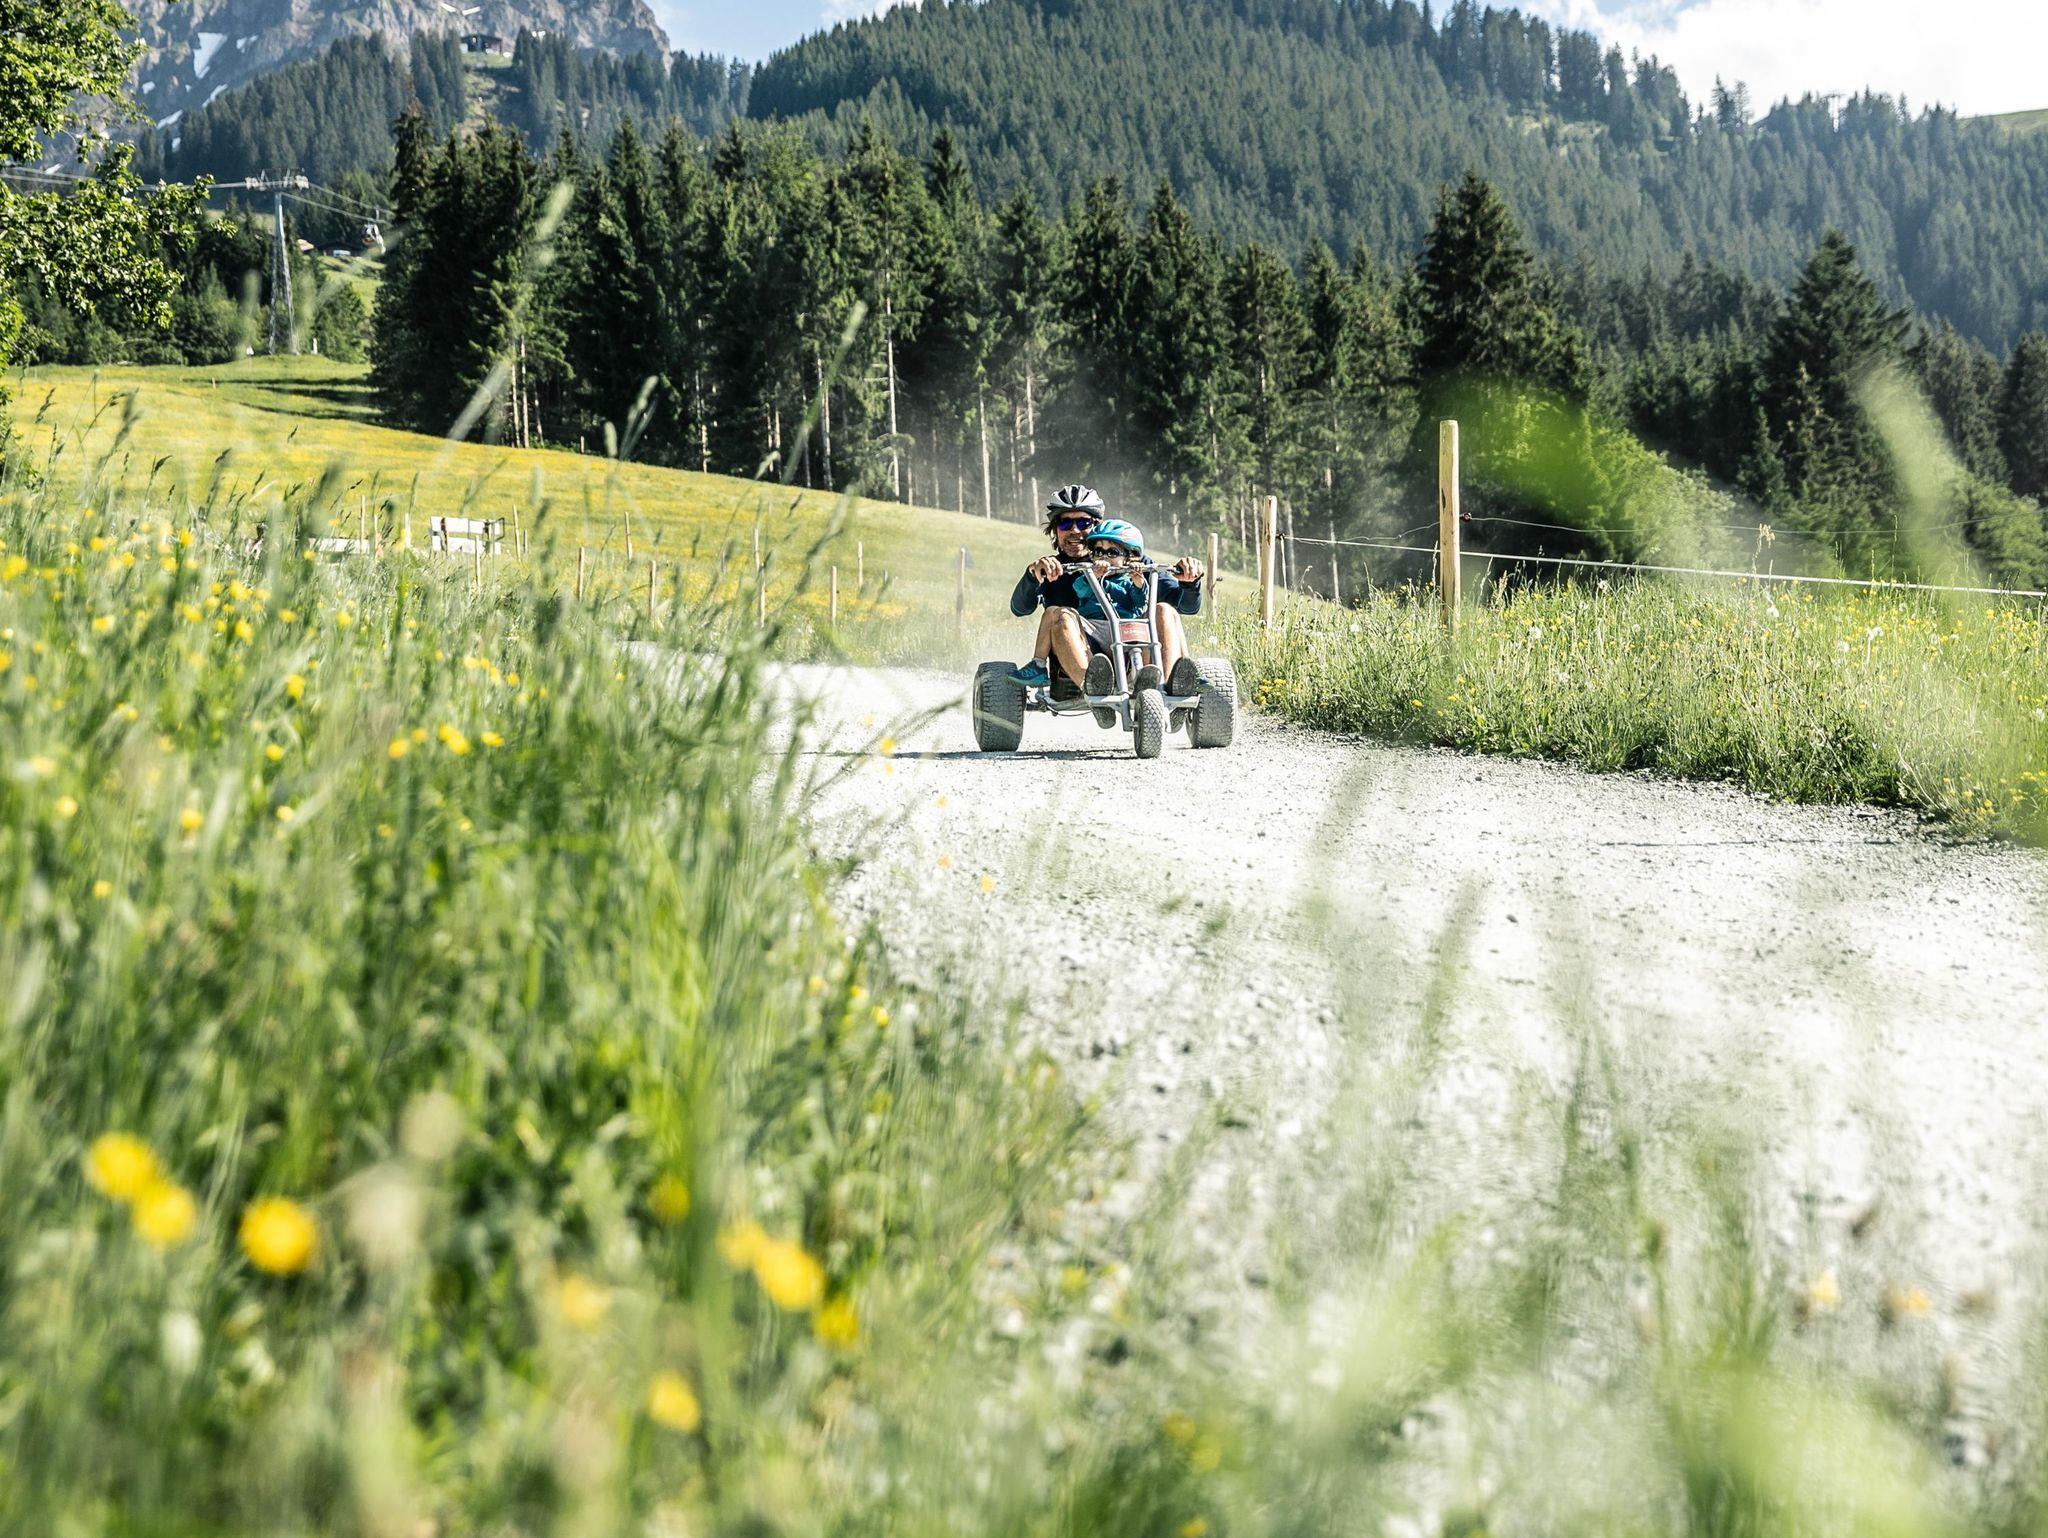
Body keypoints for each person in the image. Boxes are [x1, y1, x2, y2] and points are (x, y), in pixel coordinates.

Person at [1007, 485, 1206, 692]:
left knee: (1164, 609)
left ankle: (1171, 685)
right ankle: (1095, 689)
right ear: (1055, 529)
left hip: (1137, 648)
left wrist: (1189, 582)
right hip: (1081, 657)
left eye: (1083, 522)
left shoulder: (1132, 562)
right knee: (1059, 614)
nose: (1074, 530)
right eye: (1065, 523)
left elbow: (1186, 607)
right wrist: (1032, 575)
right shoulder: (1051, 568)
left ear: (1097, 525)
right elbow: (1020, 608)